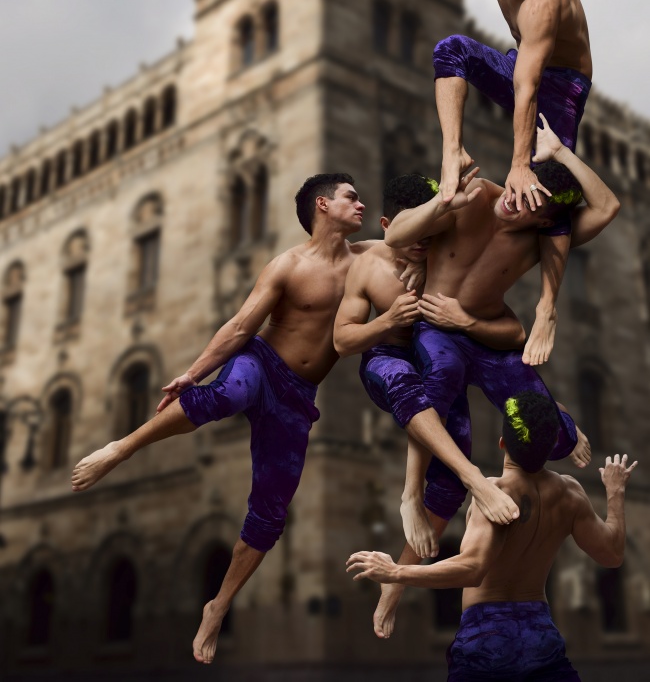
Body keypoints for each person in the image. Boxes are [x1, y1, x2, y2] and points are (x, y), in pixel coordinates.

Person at [71, 173, 390, 665]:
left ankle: (217, 608)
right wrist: (190, 373)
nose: (361, 202)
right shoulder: (287, 265)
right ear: (323, 205)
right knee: (227, 392)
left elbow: (415, 230)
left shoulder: (368, 257)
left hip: (297, 397)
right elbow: (241, 325)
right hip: (260, 363)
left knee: (270, 513)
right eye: (351, 195)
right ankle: (121, 448)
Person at [370, 116, 617, 639]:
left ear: (547, 220)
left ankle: (562, 413)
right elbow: (396, 236)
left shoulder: (538, 242)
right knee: (436, 389)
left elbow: (608, 207)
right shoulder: (478, 194)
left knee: (555, 439)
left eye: (535, 207)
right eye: (522, 189)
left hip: (487, 332)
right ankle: (407, 511)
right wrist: (441, 209)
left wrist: (563, 152)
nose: (517, 203)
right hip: (441, 333)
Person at [347, 391, 637, 682]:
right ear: (550, 448)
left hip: (488, 637)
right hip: (540, 633)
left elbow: (473, 568)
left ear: (502, 444)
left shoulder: (494, 493)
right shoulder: (570, 493)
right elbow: (611, 554)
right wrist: (615, 493)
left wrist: (396, 572)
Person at [334, 173, 527, 558]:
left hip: (440, 372)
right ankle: (464, 481)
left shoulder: (450, 257)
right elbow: (342, 340)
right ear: (390, 226)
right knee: (410, 384)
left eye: (430, 230)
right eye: (414, 231)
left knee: (449, 481)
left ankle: (394, 587)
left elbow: (512, 330)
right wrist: (387, 321)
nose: (423, 241)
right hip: (387, 361)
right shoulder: (370, 265)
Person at [437, 0, 592, 366]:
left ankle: (547, 306)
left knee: (550, 190)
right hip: (521, 61)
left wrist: (521, 164)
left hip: (559, 85)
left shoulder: (544, 1)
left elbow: (527, 90)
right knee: (451, 50)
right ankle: (452, 152)